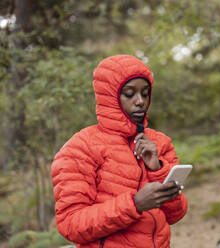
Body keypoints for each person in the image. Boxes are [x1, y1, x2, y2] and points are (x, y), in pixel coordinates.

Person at [51, 55, 188, 248]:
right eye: (129, 94)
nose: (140, 101)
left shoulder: (159, 143)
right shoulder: (81, 147)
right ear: (110, 97)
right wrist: (135, 204)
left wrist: (157, 169)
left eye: (145, 93)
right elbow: (70, 225)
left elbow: (176, 214)